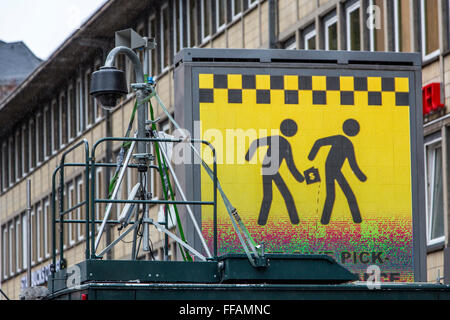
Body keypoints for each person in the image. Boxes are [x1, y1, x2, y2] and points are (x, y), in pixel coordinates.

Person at [245, 119, 304, 226]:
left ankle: (262, 221)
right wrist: (248, 156)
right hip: (269, 169)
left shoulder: (285, 144)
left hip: (271, 169)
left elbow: (290, 165)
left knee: (270, 196)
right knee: (284, 196)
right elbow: (256, 142)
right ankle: (294, 220)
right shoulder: (279, 140)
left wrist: (301, 178)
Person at [308, 118, 367, 225]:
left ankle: (325, 220)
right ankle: (356, 219)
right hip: (332, 168)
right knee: (346, 194)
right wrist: (361, 177)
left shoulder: (344, 141)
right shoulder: (346, 142)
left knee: (333, 195)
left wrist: (311, 156)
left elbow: (319, 142)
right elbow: (353, 165)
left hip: (333, 168)